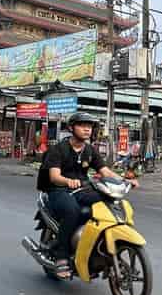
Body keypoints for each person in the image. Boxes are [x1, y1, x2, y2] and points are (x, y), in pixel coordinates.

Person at [37, 112, 130, 278]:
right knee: (73, 211)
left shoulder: (90, 150)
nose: (87, 129)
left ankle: (95, 245)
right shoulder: (58, 149)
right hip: (59, 190)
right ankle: (62, 256)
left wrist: (124, 180)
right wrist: (67, 181)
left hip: (82, 189)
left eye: (89, 126)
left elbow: (105, 171)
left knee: (108, 201)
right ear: (72, 128)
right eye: (82, 126)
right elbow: (54, 177)